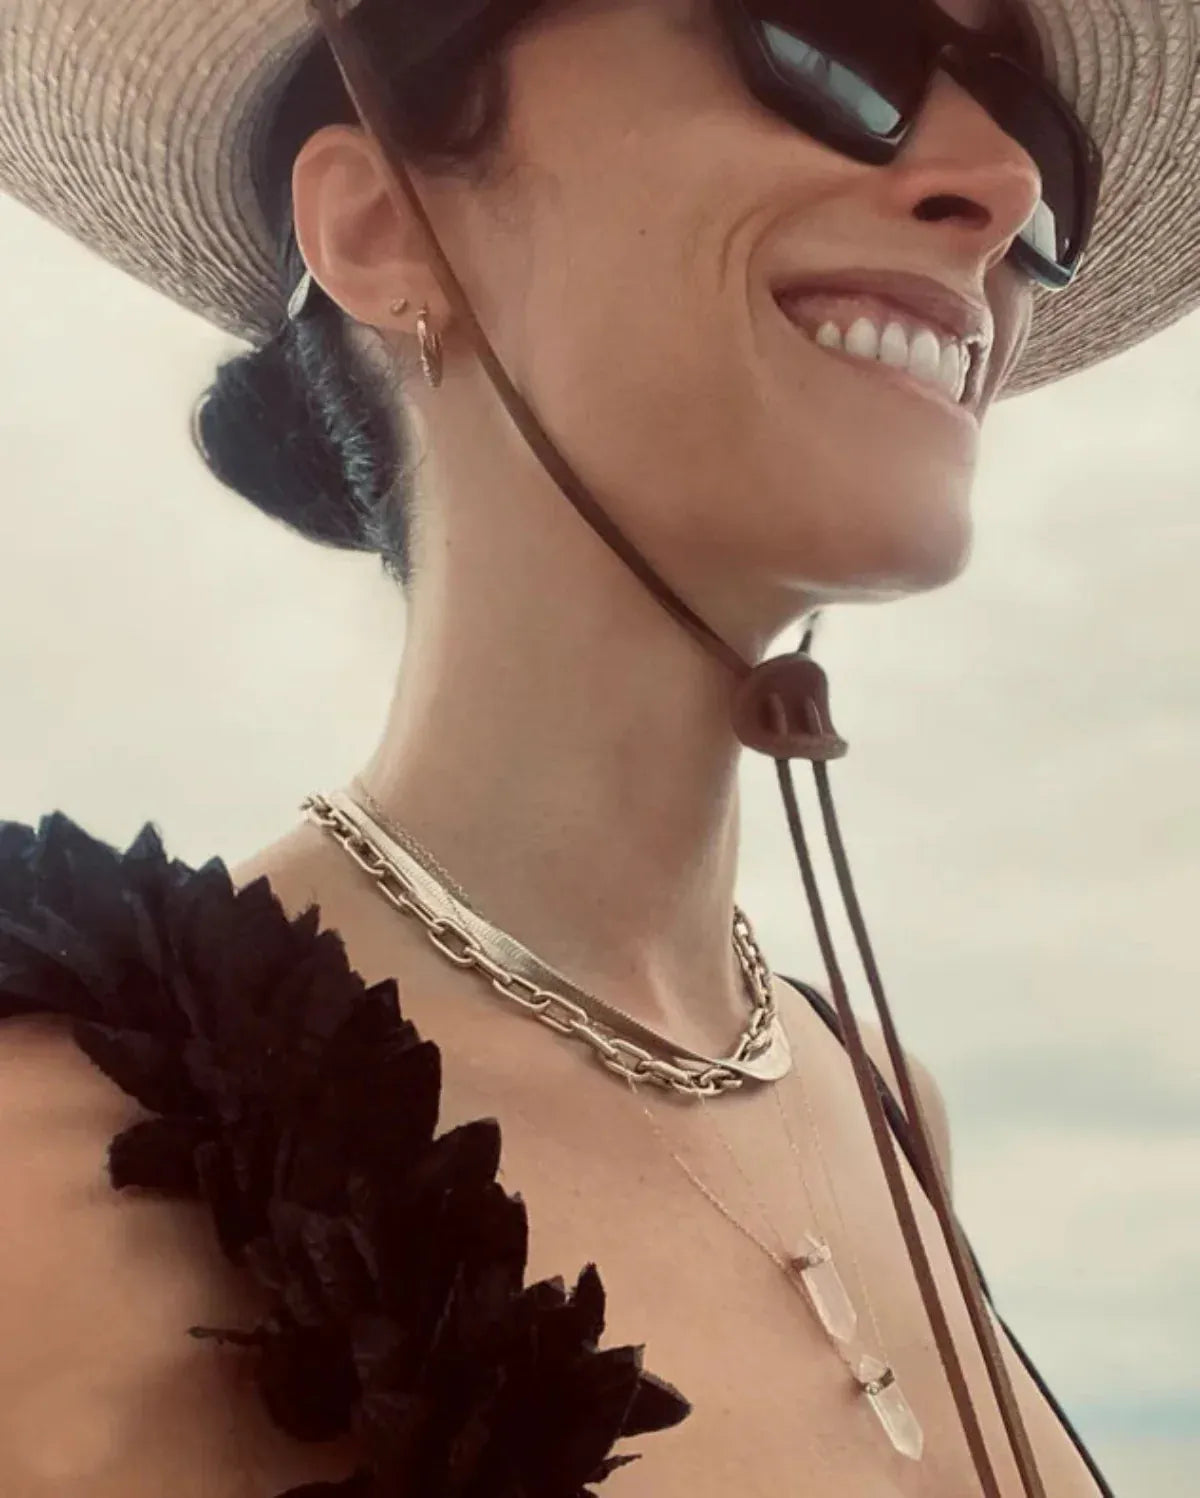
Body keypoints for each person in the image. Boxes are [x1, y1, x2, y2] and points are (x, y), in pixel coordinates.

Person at [0, 0, 1195, 1494]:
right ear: (384, 226)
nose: (1002, 184)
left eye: (1041, 134)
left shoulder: (882, 1101)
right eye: (833, 41)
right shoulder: (66, 1159)